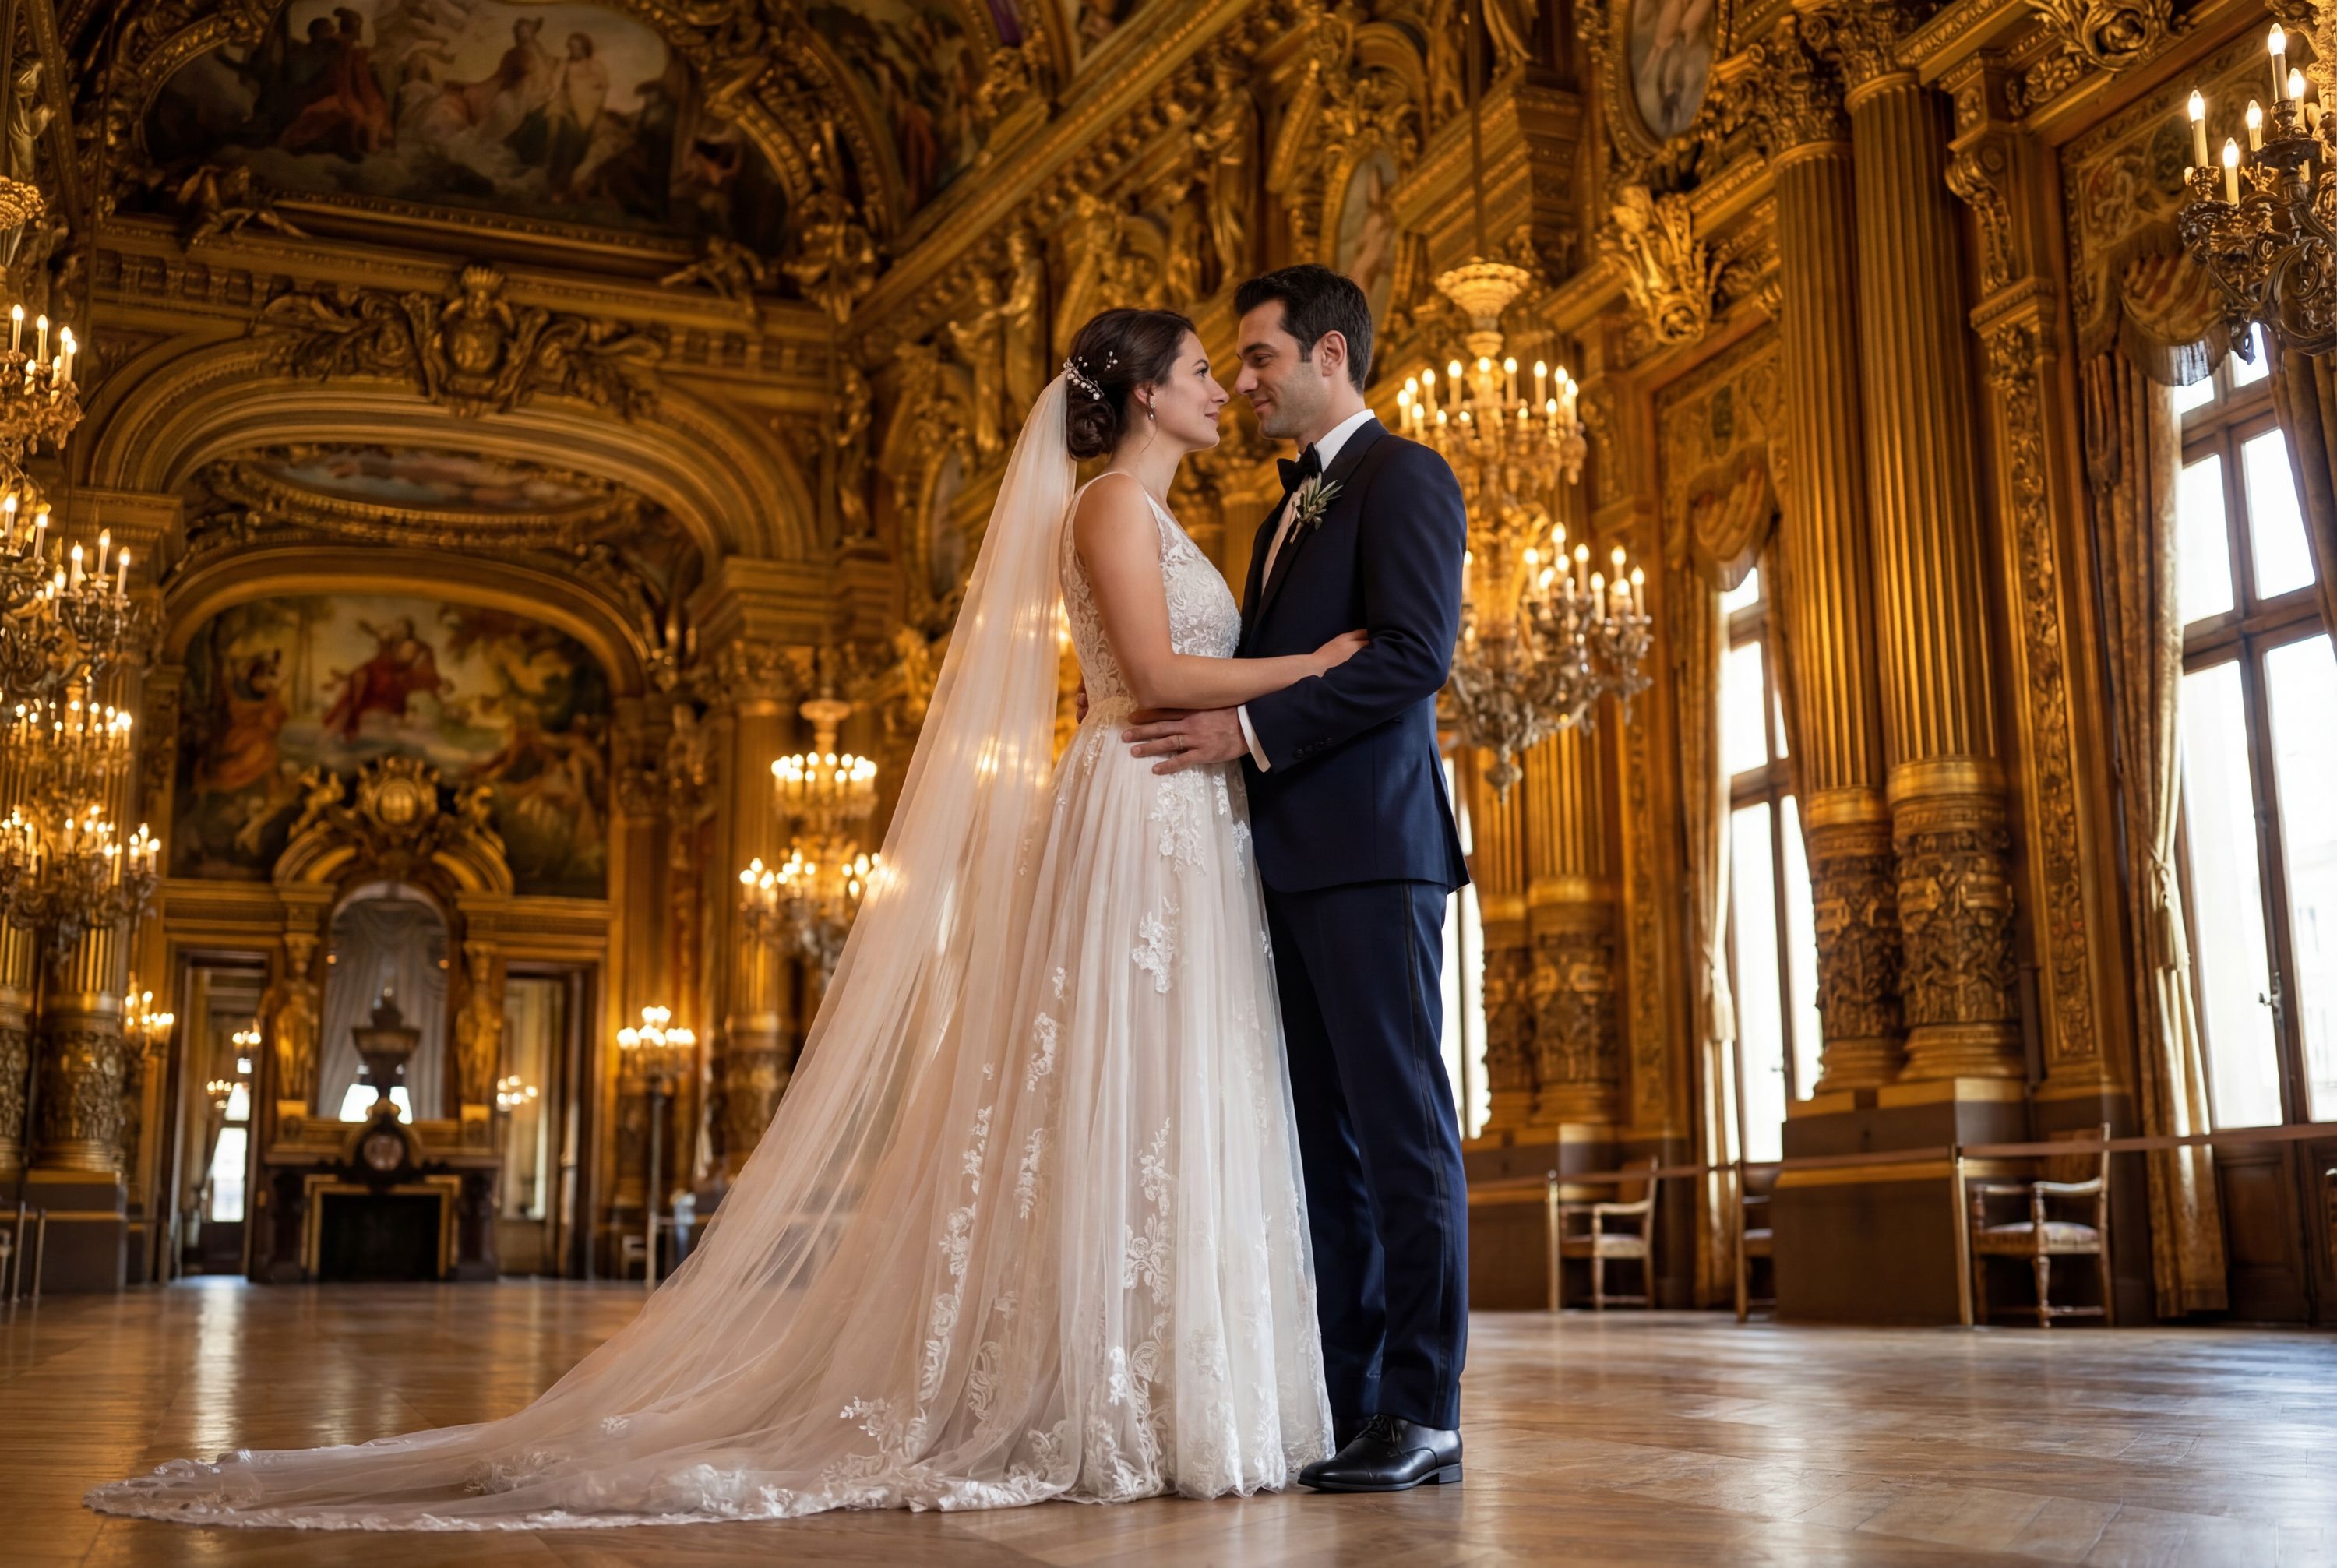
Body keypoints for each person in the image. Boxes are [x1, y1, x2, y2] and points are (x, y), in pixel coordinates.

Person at [86, 307, 1349, 1528]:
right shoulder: (1111, 506)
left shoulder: (1158, 513)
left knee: (1176, 1082)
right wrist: (1317, 669)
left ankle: (1167, 1386)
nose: (1218, 386)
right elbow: (1162, 673)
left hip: (1188, 814)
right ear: (1141, 392)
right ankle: (1102, 1393)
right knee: (1124, 1079)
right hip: (1138, 806)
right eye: (1198, 366)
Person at [1118, 264, 1471, 1492]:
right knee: (1328, 1149)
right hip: (1287, 866)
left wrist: (1250, 738)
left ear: (1329, 354)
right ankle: (1355, 1396)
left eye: (1258, 358)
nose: (1246, 382)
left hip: (1376, 854)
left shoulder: (1406, 475)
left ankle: (1427, 1408)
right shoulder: (1280, 517)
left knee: (1403, 1133)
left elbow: (1413, 660)